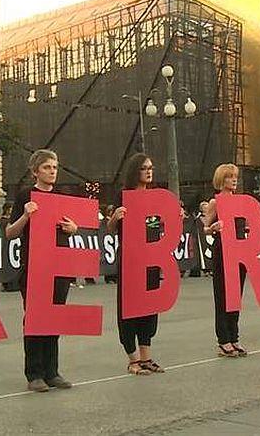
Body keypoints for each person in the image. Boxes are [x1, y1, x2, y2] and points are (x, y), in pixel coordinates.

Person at [5, 149, 77, 393]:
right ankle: (34, 373)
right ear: (35, 171)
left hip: (60, 264)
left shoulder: (62, 195)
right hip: (34, 265)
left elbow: (74, 225)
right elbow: (10, 232)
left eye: (55, 167)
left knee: (54, 318)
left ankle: (52, 371)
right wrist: (26, 215)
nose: (52, 171)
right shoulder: (25, 195)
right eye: (47, 167)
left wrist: (73, 228)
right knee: (35, 319)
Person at [107, 153, 165, 375]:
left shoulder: (155, 197)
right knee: (129, 309)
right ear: (134, 171)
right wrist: (116, 217)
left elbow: (160, 226)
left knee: (149, 309)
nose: (149, 171)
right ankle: (133, 359)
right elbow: (111, 229)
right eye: (144, 168)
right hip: (131, 260)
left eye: (151, 167)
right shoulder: (124, 196)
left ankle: (146, 357)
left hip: (151, 259)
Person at [202, 163, 252, 357]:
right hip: (223, 249)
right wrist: (214, 227)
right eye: (230, 176)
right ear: (221, 180)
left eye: (235, 176)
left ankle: (234, 336)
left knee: (236, 296)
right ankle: (223, 339)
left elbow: (246, 223)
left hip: (240, 249)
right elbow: (206, 227)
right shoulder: (215, 202)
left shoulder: (240, 201)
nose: (234, 180)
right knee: (223, 295)